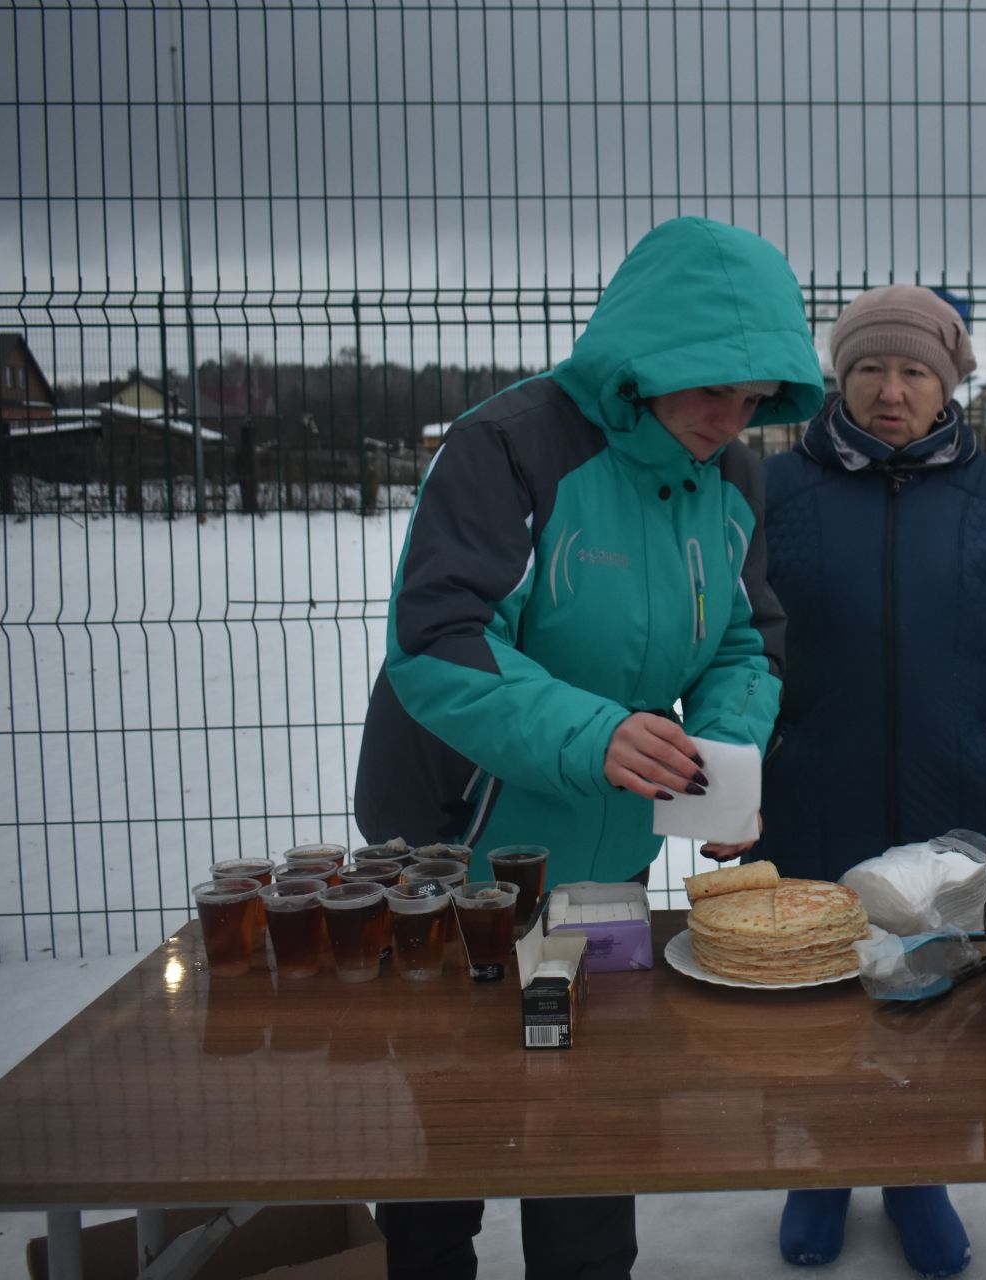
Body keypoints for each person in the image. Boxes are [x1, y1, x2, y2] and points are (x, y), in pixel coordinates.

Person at [352, 216, 826, 1280]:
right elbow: (438, 639)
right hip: (459, 855)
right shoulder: (512, 446)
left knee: (585, 1118)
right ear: (644, 351)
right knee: (453, 1124)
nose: (729, 418)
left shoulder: (733, 478)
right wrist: (594, 730)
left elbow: (746, 642)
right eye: (712, 386)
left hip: (602, 863)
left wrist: (719, 764)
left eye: (754, 398)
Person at [753, 284, 986, 1277]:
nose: (890, 390)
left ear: (948, 383)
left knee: (935, 979)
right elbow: (731, 631)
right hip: (810, 783)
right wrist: (752, 753)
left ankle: (918, 1170)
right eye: (869, 369)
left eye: (913, 370)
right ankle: (824, 1166)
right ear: (838, 379)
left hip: (953, 789)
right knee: (820, 984)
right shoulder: (774, 491)